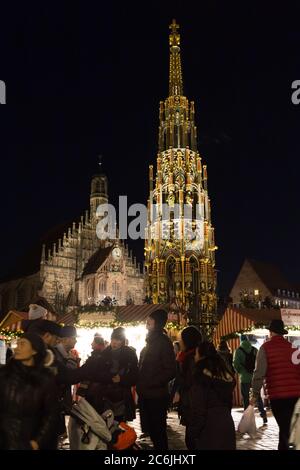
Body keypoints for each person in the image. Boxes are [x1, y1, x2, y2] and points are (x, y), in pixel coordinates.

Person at [0, 333, 59, 449]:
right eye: (17, 344)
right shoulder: (4, 374)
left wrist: (37, 442)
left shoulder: (45, 379)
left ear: (34, 351)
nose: (17, 348)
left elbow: (51, 414)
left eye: (22, 344)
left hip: (28, 441)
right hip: (3, 439)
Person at [250, 319, 300, 450]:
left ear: (271, 332)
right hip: (296, 396)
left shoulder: (265, 348)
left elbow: (259, 374)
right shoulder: (293, 348)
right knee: (289, 429)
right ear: (282, 333)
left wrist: (254, 394)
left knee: (285, 430)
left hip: (278, 397)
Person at [136, 309, 176, 450]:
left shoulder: (163, 342)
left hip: (156, 395)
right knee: (152, 432)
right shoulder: (150, 341)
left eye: (151, 319)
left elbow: (171, 369)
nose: (147, 321)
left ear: (157, 323)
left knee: (158, 433)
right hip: (146, 394)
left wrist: (152, 382)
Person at [188, 341, 236, 450]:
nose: (194, 357)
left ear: (201, 356)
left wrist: (192, 433)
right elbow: (229, 403)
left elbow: (199, 409)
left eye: (196, 354)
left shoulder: (200, 377)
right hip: (226, 424)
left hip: (209, 427)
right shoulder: (223, 376)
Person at [86, 327, 138, 423]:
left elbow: (135, 376)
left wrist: (121, 379)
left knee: (120, 425)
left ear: (122, 341)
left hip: (122, 396)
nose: (114, 342)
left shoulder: (130, 354)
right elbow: (97, 374)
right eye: (113, 339)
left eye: (118, 340)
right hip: (105, 395)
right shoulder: (104, 353)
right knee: (106, 424)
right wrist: (110, 378)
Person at [173, 326, 202, 449]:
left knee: (192, 439)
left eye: (181, 339)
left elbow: (189, 382)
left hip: (194, 404)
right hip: (193, 403)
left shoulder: (191, 358)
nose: (179, 342)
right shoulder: (188, 356)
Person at [233, 334, 267, 425]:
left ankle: (247, 419)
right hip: (254, 377)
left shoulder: (238, 351)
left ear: (241, 341)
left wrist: (241, 372)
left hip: (244, 378)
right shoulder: (255, 350)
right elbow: (259, 363)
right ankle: (263, 415)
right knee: (257, 397)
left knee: (245, 398)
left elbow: (235, 364)